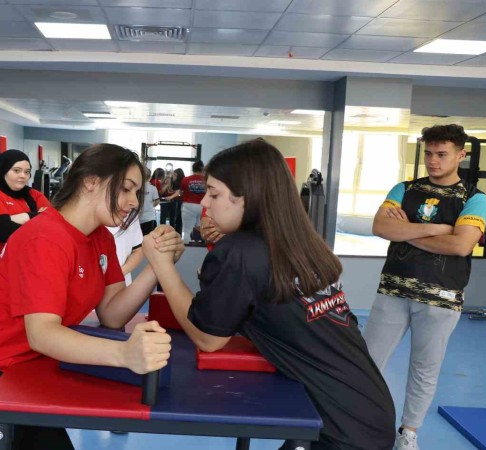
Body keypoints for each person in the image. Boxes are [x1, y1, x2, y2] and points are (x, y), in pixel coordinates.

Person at [0, 144, 184, 450]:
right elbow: (42, 334)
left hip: (26, 374)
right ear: (91, 181)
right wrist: (125, 355)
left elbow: (112, 314)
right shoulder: (44, 238)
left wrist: (157, 265)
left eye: (137, 193)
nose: (133, 202)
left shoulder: (99, 237)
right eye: (126, 189)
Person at [142, 138, 396, 450]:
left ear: (247, 197)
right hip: (369, 410)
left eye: (214, 193)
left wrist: (161, 265)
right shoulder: (300, 242)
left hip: (340, 430)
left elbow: (208, 339)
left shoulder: (241, 252)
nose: (205, 202)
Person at [365, 124, 486, 450]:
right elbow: (380, 227)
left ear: (461, 155)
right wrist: (438, 229)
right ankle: (360, 424)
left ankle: (408, 433)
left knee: (424, 369)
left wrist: (407, 230)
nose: (433, 161)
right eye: (429, 153)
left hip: (441, 298)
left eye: (442, 154)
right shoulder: (404, 189)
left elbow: (461, 246)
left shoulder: (475, 199)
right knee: (367, 362)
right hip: (393, 291)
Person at [0, 149, 51, 292]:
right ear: (2, 170)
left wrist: (13, 219)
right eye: (16, 170)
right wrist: (34, 216)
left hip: (25, 276)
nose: (23, 176)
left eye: (27, 172)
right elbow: (1, 232)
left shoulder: (34, 195)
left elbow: (51, 225)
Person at [175, 160, 206, 243]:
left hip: (188, 206)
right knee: (200, 227)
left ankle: (187, 246)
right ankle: (201, 244)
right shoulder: (206, 180)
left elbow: (180, 192)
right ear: (202, 169)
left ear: (193, 169)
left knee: (187, 230)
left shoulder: (186, 179)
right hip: (202, 206)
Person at [139, 167, 160, 236]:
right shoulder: (153, 188)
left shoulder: (137, 187)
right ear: (150, 177)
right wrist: (150, 205)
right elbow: (157, 201)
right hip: (149, 217)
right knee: (149, 236)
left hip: (138, 217)